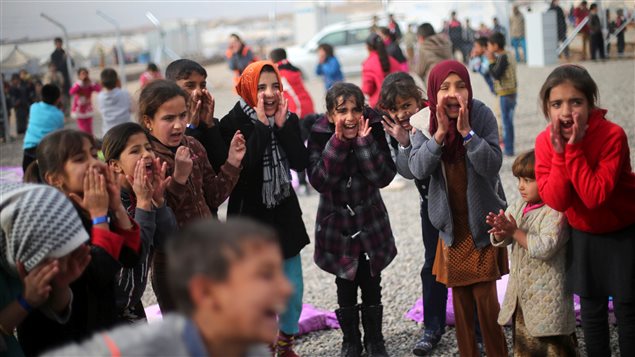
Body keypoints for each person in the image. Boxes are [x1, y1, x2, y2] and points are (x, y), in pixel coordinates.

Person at [43, 219, 292, 357]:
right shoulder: (133, 351)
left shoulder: (249, 348)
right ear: (205, 293)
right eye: (264, 276)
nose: (286, 289)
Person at [408, 60, 508, 357]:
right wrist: (438, 135)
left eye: (460, 86)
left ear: (469, 89)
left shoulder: (482, 115)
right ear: (433, 93)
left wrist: (468, 134)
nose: (453, 93)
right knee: (462, 309)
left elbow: (492, 165)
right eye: (445, 88)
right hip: (451, 231)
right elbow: (417, 168)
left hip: (482, 225)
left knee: (487, 307)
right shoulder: (422, 123)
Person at [534, 64, 635, 357]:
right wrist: (559, 154)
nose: (566, 111)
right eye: (557, 104)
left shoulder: (612, 136)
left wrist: (573, 149)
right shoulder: (545, 142)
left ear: (591, 104)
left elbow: (595, 196)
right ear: (547, 108)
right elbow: (557, 200)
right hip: (585, 233)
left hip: (623, 230)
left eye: (575, 102)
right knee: (592, 309)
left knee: (628, 309)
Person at [20, 129, 140, 355]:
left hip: (99, 330)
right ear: (55, 179)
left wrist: (116, 208)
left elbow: (132, 256)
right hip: (62, 340)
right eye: (80, 159)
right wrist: (99, 217)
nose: (94, 163)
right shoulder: (47, 219)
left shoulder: (90, 204)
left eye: (95, 155)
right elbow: (99, 272)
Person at [219, 61, 310, 357]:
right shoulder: (232, 123)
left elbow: (299, 162)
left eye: (274, 86)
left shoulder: (287, 117)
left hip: (284, 214)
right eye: (261, 87)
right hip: (249, 218)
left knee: (292, 288)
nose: (269, 94)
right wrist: (260, 125)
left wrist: (282, 128)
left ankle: (285, 342)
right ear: (247, 89)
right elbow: (245, 170)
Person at [308, 82, 396, 357]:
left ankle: (375, 339)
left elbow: (383, 176)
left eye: (355, 110)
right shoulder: (320, 133)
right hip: (337, 225)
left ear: (362, 110)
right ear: (330, 115)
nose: (349, 117)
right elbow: (320, 180)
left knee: (372, 282)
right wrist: (338, 143)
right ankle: (351, 341)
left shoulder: (373, 128)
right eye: (341, 111)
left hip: (370, 222)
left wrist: (363, 142)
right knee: (344, 283)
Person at [139, 80, 244, 310]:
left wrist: (232, 163)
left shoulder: (194, 146)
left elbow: (214, 197)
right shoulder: (146, 160)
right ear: (148, 121)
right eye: (168, 119)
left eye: (183, 116)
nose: (178, 125)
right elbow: (154, 218)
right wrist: (177, 179)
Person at [376, 73, 447, 356]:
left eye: (407, 105)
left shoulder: (434, 120)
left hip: (454, 204)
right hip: (429, 205)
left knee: (465, 264)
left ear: (420, 100)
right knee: (431, 266)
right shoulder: (399, 131)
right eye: (394, 110)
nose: (402, 113)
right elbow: (407, 172)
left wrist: (415, 140)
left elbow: (427, 165)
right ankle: (432, 327)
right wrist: (404, 142)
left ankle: (477, 326)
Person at [486, 150, 578, 356]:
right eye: (519, 179)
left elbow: (545, 246)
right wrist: (501, 233)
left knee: (554, 347)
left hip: (548, 297)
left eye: (528, 180)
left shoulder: (556, 211)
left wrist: (515, 231)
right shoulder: (520, 206)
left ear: (547, 180)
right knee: (526, 345)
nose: (521, 186)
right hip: (523, 295)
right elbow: (507, 237)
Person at [0, 183, 91, 357]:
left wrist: (61, 286)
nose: (61, 266)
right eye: (53, 259)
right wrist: (25, 302)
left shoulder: (12, 249)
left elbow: (53, 309)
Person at [102, 122, 178, 320]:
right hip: (110, 310)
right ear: (114, 165)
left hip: (133, 303)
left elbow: (169, 243)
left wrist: (159, 201)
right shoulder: (110, 204)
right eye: (135, 151)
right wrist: (145, 202)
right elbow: (133, 255)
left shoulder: (144, 191)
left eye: (148, 148)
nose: (146, 154)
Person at [165, 59, 228, 177]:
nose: (198, 92)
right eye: (190, 85)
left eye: (203, 85)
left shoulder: (210, 124)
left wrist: (209, 125)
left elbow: (222, 166)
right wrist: (191, 126)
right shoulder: (165, 128)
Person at [487, 32, 518, 156]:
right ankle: (509, 146)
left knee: (506, 122)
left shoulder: (503, 57)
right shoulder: (509, 54)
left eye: (489, 45)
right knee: (508, 121)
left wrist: (490, 61)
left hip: (506, 93)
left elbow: (496, 74)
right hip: (512, 92)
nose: (488, 48)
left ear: (495, 46)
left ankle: (509, 149)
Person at [22, 84, 64, 172]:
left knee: (28, 173)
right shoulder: (59, 115)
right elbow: (59, 133)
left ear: (42, 96)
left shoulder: (33, 107)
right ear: (58, 99)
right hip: (46, 149)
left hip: (29, 147)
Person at [269, 48, 315, 119]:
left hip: (298, 110)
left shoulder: (280, 75)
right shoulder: (292, 68)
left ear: (272, 60)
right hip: (308, 105)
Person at [362, 34, 401, 108]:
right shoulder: (394, 61)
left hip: (379, 105)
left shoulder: (368, 63)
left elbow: (367, 89)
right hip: (398, 102)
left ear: (368, 47)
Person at [414, 23, 453, 90]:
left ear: (421, 38)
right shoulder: (446, 42)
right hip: (452, 76)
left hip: (435, 83)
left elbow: (419, 71)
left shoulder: (424, 47)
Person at [96, 68, 132, 137]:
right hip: (127, 130)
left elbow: (100, 111)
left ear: (101, 83)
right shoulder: (125, 93)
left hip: (109, 132)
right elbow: (133, 109)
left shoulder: (99, 97)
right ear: (117, 81)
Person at [69, 67, 101, 135]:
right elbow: (71, 92)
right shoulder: (77, 84)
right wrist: (80, 83)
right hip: (79, 110)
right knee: (83, 129)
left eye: (86, 74)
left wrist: (91, 83)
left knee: (89, 128)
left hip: (88, 109)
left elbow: (99, 90)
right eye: (82, 74)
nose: (84, 76)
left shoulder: (89, 84)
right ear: (78, 75)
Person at [50, 37, 71, 113]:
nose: (59, 45)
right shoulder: (53, 55)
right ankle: (61, 112)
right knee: (60, 95)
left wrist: (68, 58)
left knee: (68, 94)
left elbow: (72, 64)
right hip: (59, 78)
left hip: (67, 77)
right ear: (55, 44)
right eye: (57, 43)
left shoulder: (64, 52)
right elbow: (56, 67)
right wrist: (63, 60)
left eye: (60, 43)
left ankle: (68, 111)